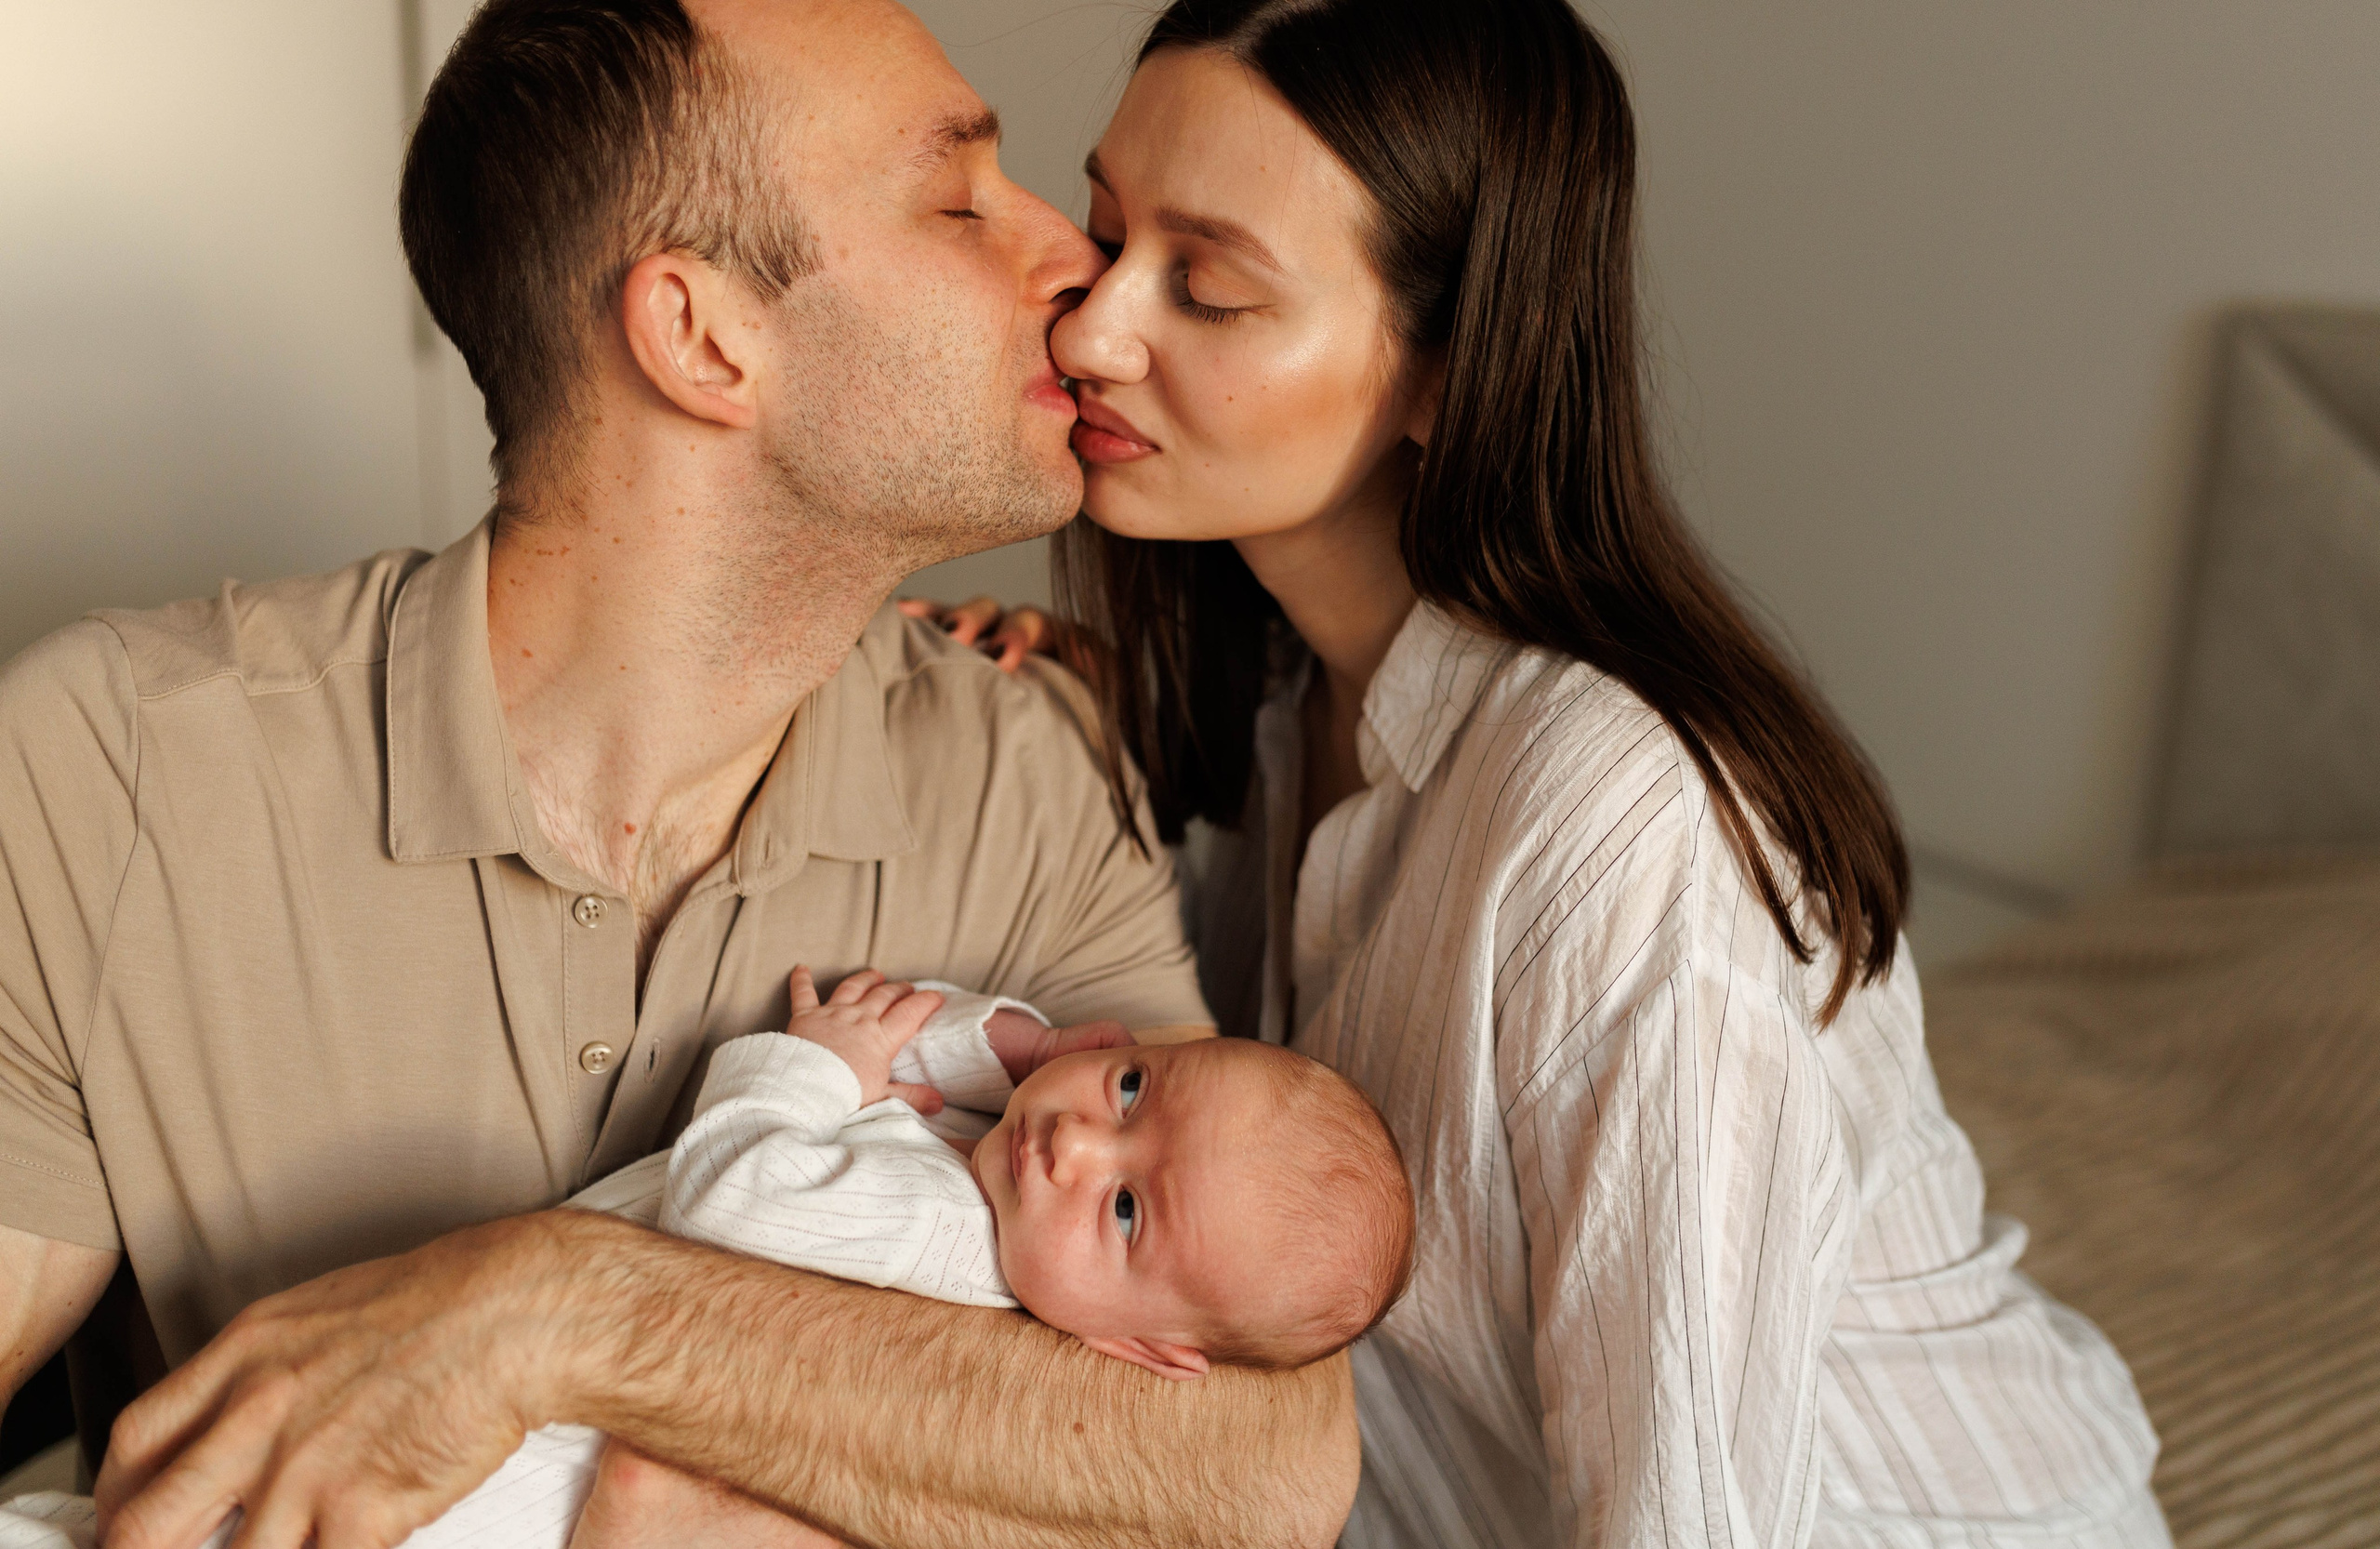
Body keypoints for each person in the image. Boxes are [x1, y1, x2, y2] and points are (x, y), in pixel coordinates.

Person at [0, 2, 1364, 1547]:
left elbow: (1267, 1463)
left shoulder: (1023, 770)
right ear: (704, 336)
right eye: (962, 200)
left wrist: (554, 1309)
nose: (1078, 268)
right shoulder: (104, 772)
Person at [923, 0, 2174, 1543]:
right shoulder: (1269, 704)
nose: (1094, 328)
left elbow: (1691, 1516)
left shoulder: (1621, 823)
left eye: (1211, 288)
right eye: (1107, 235)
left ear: (1450, 373)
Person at [2, 971, 1414, 1549]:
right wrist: (1011, 1041)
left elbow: (739, 1194)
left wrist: (809, 1065)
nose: (1077, 1154)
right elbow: (958, 1050)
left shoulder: (940, 1237)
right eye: (1130, 1096)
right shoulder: (1003, 1172)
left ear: (1142, 1350)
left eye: (1126, 1215)